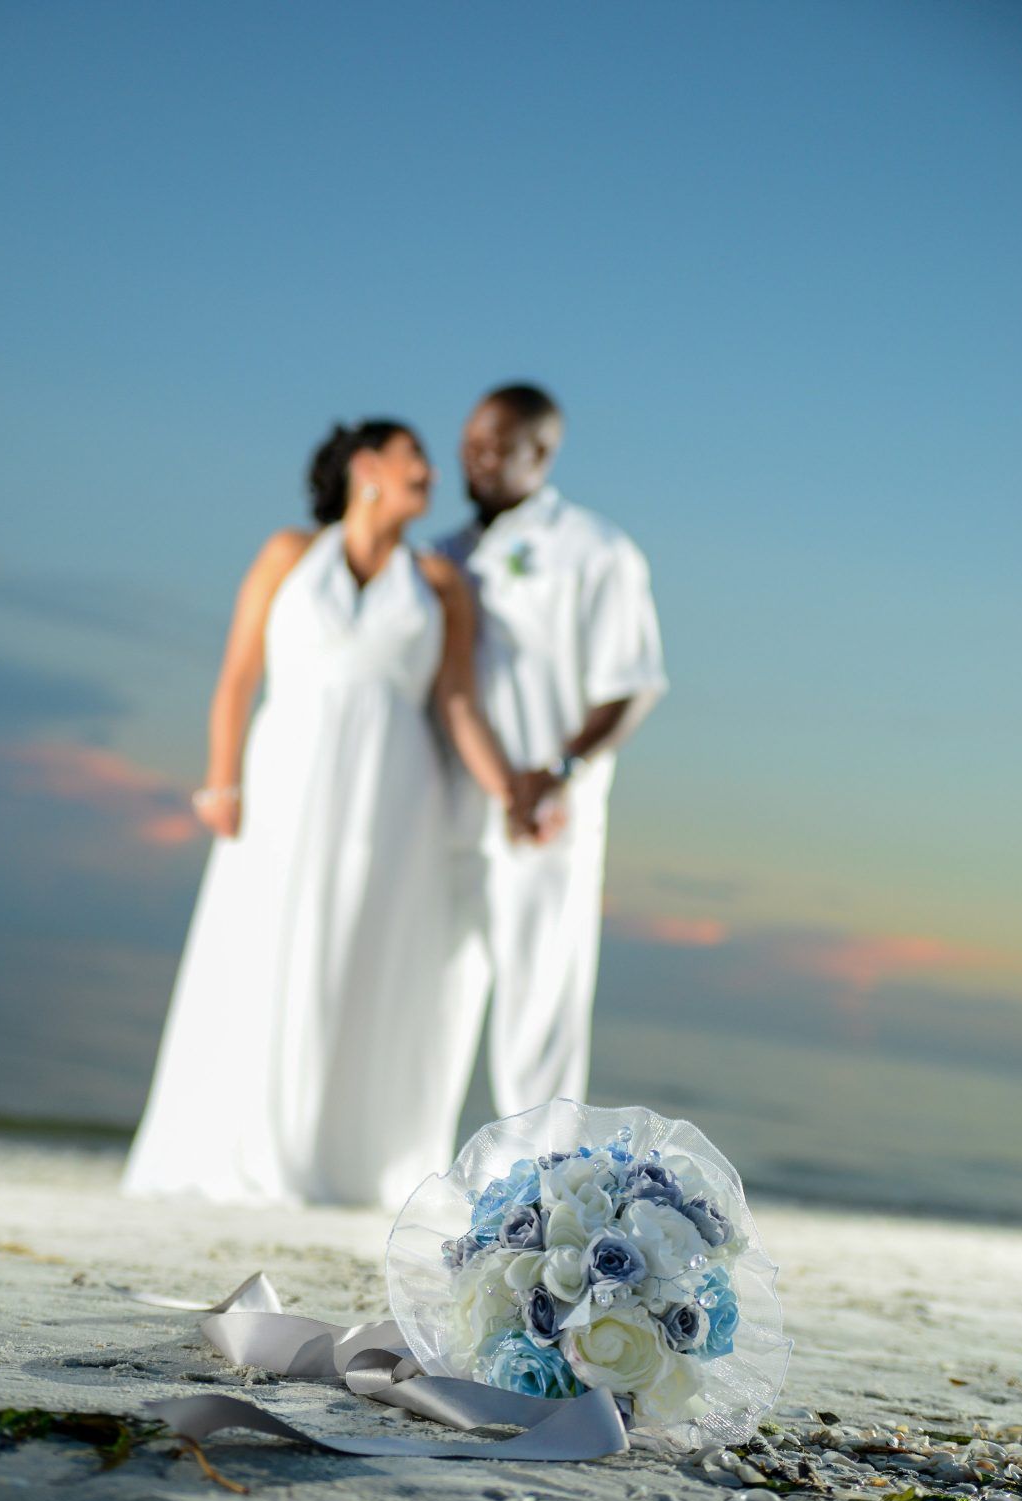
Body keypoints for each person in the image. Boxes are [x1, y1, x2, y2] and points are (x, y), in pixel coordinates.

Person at [123, 419, 529, 1210]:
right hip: (286, 781)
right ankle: (244, 1144)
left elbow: (457, 704)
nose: (431, 473)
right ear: (368, 466)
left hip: (395, 793)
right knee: (267, 942)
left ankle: (345, 1158)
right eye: (416, 457)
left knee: (364, 954)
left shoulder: (441, 584)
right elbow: (239, 672)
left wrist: (514, 794)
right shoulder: (287, 554)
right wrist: (220, 777)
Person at [436, 382, 668, 1122]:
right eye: (470, 442)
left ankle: (540, 1186)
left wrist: (560, 772)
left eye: (496, 446)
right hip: (444, 804)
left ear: (541, 452)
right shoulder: (445, 552)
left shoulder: (596, 550)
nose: (476, 458)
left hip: (543, 815)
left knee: (540, 1002)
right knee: (435, 993)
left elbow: (633, 686)